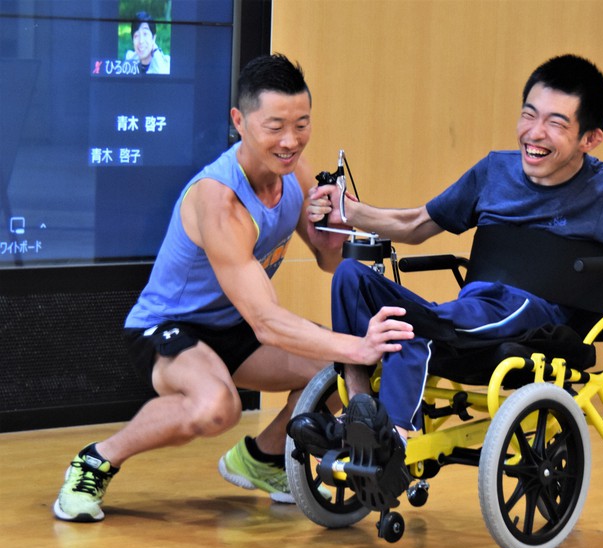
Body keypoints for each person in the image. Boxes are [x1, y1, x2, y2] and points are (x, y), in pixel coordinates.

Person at [53, 54, 413, 523]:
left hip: (234, 324)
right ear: (240, 122)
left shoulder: (294, 175)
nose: (290, 141)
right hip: (171, 329)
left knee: (342, 374)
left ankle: (263, 459)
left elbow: (328, 260)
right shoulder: (219, 200)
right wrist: (357, 344)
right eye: (275, 127)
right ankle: (96, 460)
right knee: (216, 406)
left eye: (302, 124)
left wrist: (337, 225)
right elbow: (266, 322)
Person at [304, 54, 603, 448]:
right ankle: (359, 410)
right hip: (476, 306)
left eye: (555, 123)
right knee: (350, 275)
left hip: (535, 319)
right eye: (528, 114)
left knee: (423, 323)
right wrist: (348, 210)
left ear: (590, 138)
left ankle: (394, 436)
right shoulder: (494, 172)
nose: (534, 133)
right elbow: (416, 225)